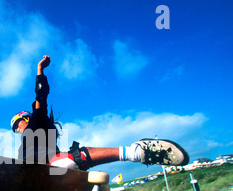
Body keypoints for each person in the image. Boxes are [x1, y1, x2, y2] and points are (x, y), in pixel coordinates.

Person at [11, 55, 190, 170]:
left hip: (51, 169)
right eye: (16, 130)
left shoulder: (37, 122)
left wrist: (40, 71)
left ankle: (137, 151)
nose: (18, 130)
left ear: (25, 119)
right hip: (30, 180)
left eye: (18, 126)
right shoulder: (25, 143)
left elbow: (41, 96)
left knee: (71, 159)